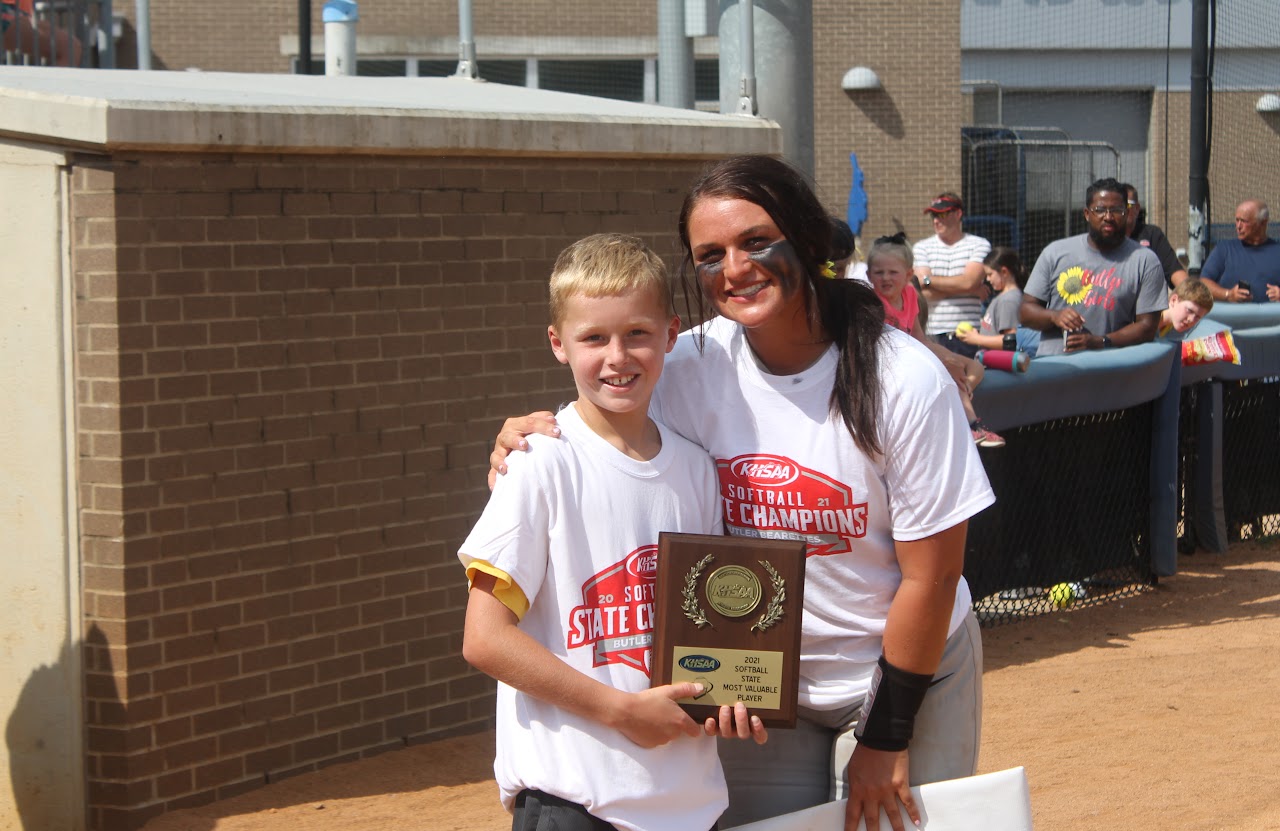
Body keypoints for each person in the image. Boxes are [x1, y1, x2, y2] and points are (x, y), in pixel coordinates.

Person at [491, 156, 994, 831]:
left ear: (807, 238)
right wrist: (525, 438)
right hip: (757, 680)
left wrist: (886, 734)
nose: (735, 267)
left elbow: (932, 579)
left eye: (757, 241)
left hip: (908, 672)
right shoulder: (691, 365)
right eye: (710, 254)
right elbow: (598, 416)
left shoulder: (902, 379)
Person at [460, 233, 764, 831]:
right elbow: (485, 639)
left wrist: (735, 694)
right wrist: (620, 710)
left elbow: (712, 630)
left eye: (637, 334)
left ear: (671, 336)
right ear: (558, 344)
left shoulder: (698, 470)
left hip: (687, 802)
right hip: (575, 799)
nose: (617, 356)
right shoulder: (540, 461)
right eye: (594, 337)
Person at [867, 233, 1005, 448]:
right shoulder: (875, 303)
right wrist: (944, 363)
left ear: (908, 274)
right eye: (879, 272)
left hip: (912, 353)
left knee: (973, 366)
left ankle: (962, 396)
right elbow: (890, 348)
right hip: (891, 364)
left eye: (893, 272)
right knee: (946, 371)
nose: (886, 278)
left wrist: (950, 358)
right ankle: (968, 424)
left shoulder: (909, 295)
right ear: (869, 275)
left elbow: (918, 337)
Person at [1020, 177, 1166, 356]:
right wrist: (1054, 316)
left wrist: (1101, 342)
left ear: (1127, 214)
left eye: (1117, 210)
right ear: (1087, 214)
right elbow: (1025, 311)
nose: (1108, 217)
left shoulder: (1145, 261)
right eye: (1100, 210)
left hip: (1112, 373)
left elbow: (1147, 327)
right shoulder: (1056, 253)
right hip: (1056, 372)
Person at [912, 192, 992, 356]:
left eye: (942, 214)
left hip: (967, 335)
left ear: (958, 214)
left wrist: (928, 280)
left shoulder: (979, 244)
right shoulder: (921, 247)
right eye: (934, 215)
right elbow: (923, 294)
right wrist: (969, 290)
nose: (936, 220)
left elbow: (968, 281)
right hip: (931, 334)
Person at [958, 246, 1040, 357]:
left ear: (1004, 272)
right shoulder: (1003, 298)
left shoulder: (1009, 300)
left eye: (990, 274)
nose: (987, 279)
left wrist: (976, 339)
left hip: (999, 367)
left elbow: (1010, 341)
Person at [1198, 199, 1280, 304]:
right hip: (1229, 318)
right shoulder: (1224, 249)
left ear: (1263, 223)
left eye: (1244, 221)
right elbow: (1203, 283)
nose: (1238, 226)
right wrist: (1228, 294)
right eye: (1237, 220)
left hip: (1272, 318)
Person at [1121, 184, 1188, 289]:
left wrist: (1191, 294)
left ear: (1137, 209)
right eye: (1118, 207)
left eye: (1127, 205)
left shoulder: (1152, 234)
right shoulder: (1107, 238)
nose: (1122, 211)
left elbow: (1176, 273)